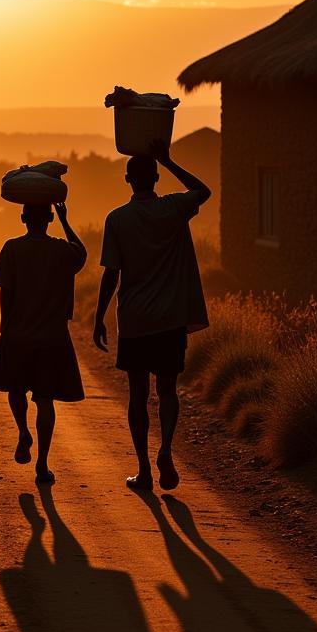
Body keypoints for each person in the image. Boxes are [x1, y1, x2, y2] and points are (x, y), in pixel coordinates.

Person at [93, 138, 210, 492]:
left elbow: (111, 273)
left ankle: (144, 469)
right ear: (157, 178)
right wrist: (169, 160)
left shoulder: (117, 219)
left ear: (128, 179)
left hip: (135, 321)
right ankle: (167, 451)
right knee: (168, 390)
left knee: (137, 394)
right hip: (170, 318)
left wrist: (99, 316)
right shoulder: (174, 208)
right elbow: (202, 190)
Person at [0, 201, 86, 485]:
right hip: (52, 337)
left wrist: (5, 328)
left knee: (15, 390)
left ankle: (22, 431)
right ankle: (42, 464)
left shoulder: (12, 248)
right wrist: (66, 221)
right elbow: (82, 254)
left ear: (23, 218)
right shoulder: (61, 250)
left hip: (17, 334)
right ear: (50, 218)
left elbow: (5, 293)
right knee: (45, 400)